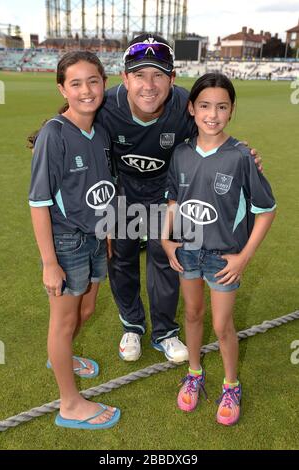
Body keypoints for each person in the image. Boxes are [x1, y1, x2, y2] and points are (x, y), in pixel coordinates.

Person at [96, 33, 262, 364]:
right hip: (123, 191)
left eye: (159, 74)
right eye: (140, 75)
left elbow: (211, 128)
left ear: (172, 78)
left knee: (167, 259)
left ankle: (164, 332)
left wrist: (243, 153)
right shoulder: (106, 107)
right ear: (125, 78)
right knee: (122, 257)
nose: (149, 85)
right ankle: (132, 325)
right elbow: (75, 126)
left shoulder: (184, 106)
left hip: (166, 192)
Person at [161, 72, 276, 426]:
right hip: (188, 252)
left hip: (224, 256)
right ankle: (194, 373)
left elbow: (266, 210)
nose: (213, 114)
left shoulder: (241, 156)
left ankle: (231, 385)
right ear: (192, 109)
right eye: (205, 106)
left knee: (222, 324)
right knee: (192, 315)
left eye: (222, 107)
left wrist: (244, 256)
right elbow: (173, 201)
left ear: (232, 110)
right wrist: (167, 240)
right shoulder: (180, 153)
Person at [29, 51, 120, 430]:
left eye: (93, 81)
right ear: (62, 88)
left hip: (97, 239)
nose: (87, 90)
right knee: (63, 324)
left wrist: (110, 230)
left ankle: (61, 357)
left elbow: (102, 187)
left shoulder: (99, 130)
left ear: (103, 82)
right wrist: (50, 262)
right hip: (67, 245)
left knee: (84, 312)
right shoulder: (54, 133)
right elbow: (39, 202)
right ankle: (69, 404)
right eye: (76, 83)